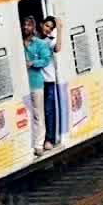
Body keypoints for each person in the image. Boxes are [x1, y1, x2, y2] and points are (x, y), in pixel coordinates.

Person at [22, 16, 52, 157]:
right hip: (22, 85)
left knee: (38, 115)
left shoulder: (39, 43)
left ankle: (38, 145)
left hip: (35, 83)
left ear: (33, 27)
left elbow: (46, 60)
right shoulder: (18, 43)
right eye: (24, 25)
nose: (25, 27)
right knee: (26, 116)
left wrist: (33, 63)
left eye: (28, 25)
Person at [39, 15, 62, 149]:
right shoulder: (33, 39)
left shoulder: (50, 41)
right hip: (36, 82)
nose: (48, 29)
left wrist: (59, 29)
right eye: (47, 26)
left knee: (49, 111)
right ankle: (41, 139)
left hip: (48, 81)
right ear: (41, 24)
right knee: (39, 113)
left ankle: (50, 139)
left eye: (51, 28)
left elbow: (58, 48)